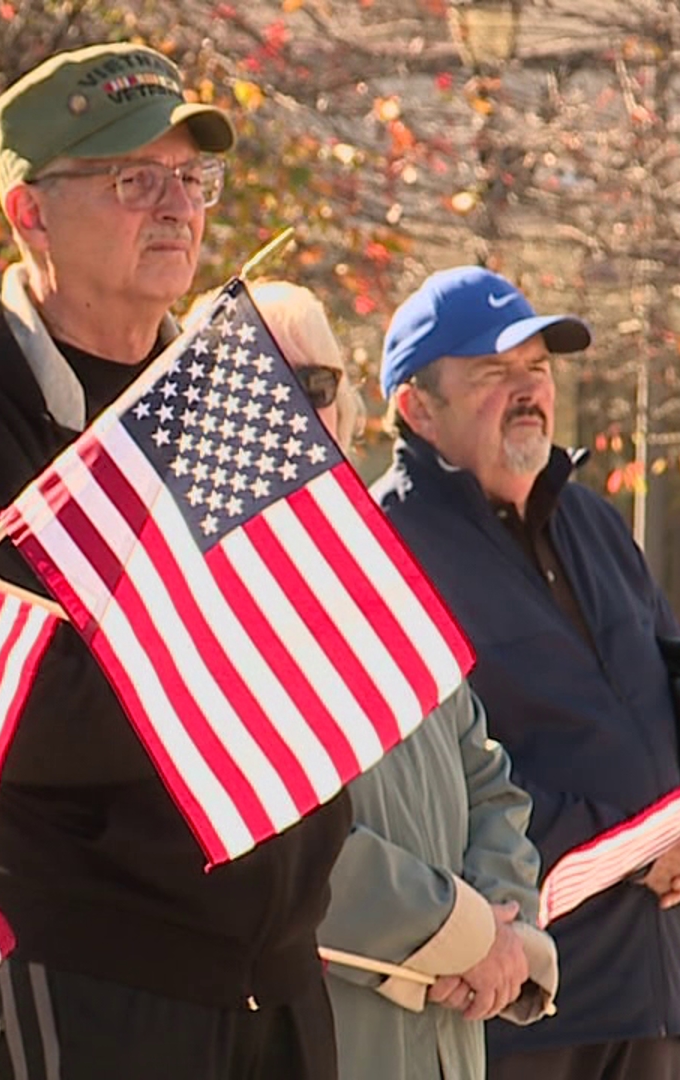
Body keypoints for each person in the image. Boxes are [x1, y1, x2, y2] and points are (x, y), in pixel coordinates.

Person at [0, 44, 348, 1080]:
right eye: (134, 179)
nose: (177, 207)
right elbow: (3, 711)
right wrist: (235, 662)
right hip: (97, 971)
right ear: (28, 210)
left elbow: (313, 621)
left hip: (278, 969)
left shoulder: (221, 382)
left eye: (193, 179)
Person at [373, 265, 680, 1080]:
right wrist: (623, 849)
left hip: (652, 995)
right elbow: (425, 792)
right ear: (417, 407)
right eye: (493, 373)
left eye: (538, 370)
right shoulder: (383, 555)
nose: (527, 391)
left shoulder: (596, 522)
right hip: (514, 1009)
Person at [216, 280, 558, 1080]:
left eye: (318, 387)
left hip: (450, 1036)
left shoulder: (383, 577)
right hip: (326, 1038)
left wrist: (503, 935)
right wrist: (464, 936)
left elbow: (487, 775)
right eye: (262, 379)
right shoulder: (213, 599)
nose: (298, 408)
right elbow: (278, 839)